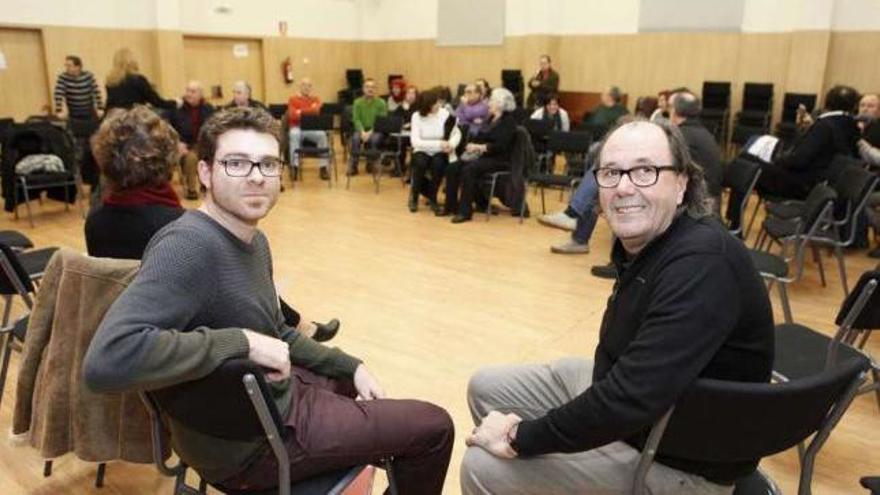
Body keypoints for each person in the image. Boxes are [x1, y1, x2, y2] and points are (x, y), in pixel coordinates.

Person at [83, 107, 454, 494]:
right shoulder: (188, 246)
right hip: (249, 447)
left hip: (259, 411)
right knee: (435, 427)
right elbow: (107, 359)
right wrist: (242, 341)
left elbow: (277, 331)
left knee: (349, 386)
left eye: (267, 163)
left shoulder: (253, 241)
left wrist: (351, 365)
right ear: (205, 173)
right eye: (237, 163)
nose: (257, 176)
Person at [461, 118, 775, 495]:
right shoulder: (650, 241)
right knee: (486, 388)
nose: (624, 186)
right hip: (646, 411)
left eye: (645, 170)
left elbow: (628, 399)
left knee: (483, 466)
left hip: (678, 460)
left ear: (682, 185)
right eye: (611, 172)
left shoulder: (703, 264)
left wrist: (518, 438)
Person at [86, 105, 339, 341]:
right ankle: (296, 325)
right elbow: (237, 297)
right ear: (165, 158)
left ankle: (295, 323)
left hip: (126, 324)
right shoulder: (180, 229)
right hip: (196, 335)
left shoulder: (95, 221)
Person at [753, 85, 859, 202]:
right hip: (819, 186)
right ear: (854, 106)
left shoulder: (824, 125)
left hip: (801, 185)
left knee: (746, 161)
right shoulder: (851, 125)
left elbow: (798, 160)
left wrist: (776, 160)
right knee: (749, 166)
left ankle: (734, 217)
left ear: (826, 102)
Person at [450, 88, 518, 224]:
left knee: (469, 169)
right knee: (453, 167)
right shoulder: (490, 118)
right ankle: (451, 207)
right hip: (484, 156)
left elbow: (501, 147)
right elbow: (481, 137)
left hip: (500, 159)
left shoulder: (508, 122)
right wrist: (472, 144)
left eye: (492, 100)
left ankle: (465, 212)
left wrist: (479, 147)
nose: (489, 103)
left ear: (500, 103)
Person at [668, 91, 722, 214]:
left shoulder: (681, 135)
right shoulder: (704, 132)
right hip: (710, 199)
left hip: (700, 205)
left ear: (674, 111)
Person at [408, 88, 460, 213]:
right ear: (427, 106)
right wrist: (438, 144)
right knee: (420, 163)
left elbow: (456, 133)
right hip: (422, 149)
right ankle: (414, 197)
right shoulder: (416, 116)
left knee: (439, 165)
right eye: (435, 103)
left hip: (440, 150)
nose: (439, 105)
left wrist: (451, 145)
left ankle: (433, 198)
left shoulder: (445, 114)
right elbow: (415, 142)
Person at [169, 80, 215, 200]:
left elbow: (215, 128)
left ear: (200, 94)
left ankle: (209, 186)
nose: (189, 94)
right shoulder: (177, 110)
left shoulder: (209, 109)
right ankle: (191, 190)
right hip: (185, 146)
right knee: (191, 158)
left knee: (210, 155)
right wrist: (176, 143)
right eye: (188, 91)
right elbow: (168, 130)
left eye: (193, 91)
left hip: (204, 144)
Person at [105, 48, 177, 111]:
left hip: (115, 122)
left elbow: (109, 105)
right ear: (133, 62)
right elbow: (157, 102)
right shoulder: (138, 80)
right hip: (135, 121)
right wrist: (175, 103)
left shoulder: (110, 82)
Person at [287, 77, 330, 181]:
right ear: (300, 87)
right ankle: (294, 167)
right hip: (296, 128)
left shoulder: (316, 99)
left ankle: (323, 168)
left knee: (322, 135)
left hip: (312, 128)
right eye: (304, 85)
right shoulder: (292, 99)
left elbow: (316, 113)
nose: (306, 87)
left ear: (311, 87)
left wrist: (300, 111)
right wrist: (309, 110)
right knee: (294, 135)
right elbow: (292, 116)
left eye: (309, 85)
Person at [348, 78, 388, 175]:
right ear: (363, 89)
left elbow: (381, 121)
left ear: (376, 89)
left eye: (372, 87)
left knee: (374, 139)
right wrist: (362, 132)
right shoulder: (357, 102)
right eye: (367, 87)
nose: (370, 89)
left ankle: (370, 163)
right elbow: (356, 119)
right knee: (355, 138)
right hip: (361, 129)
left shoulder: (381, 103)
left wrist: (370, 132)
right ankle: (353, 166)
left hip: (376, 129)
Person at [53, 55, 103, 121]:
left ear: (77, 66)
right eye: (66, 65)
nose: (67, 68)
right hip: (73, 114)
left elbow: (97, 92)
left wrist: (100, 108)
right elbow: (58, 94)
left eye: (69, 65)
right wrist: (59, 111)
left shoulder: (88, 76)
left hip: (90, 113)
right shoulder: (63, 78)